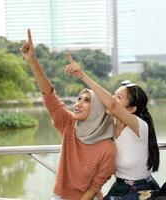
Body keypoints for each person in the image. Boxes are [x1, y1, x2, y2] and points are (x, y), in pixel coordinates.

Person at [21, 29, 116, 200]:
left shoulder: (108, 148)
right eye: (79, 98)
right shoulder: (69, 125)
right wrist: (32, 61)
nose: (78, 103)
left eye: (87, 100)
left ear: (98, 109)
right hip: (60, 196)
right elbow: (50, 97)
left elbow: (96, 186)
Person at [64, 54, 160, 200]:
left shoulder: (139, 125)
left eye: (118, 97)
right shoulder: (109, 125)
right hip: (119, 188)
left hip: (142, 192)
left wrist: (82, 75)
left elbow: (112, 105)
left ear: (132, 109)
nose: (113, 99)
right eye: (113, 95)